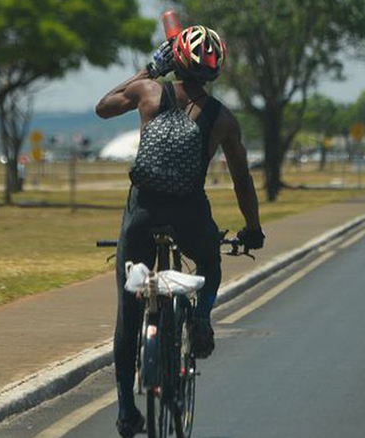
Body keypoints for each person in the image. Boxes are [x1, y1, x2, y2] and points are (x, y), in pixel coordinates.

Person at [95, 25, 264, 438]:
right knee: (208, 260)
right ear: (215, 71)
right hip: (190, 214)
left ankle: (125, 411)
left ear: (176, 61)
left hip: (143, 212)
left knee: (129, 309)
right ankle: (201, 317)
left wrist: (149, 69)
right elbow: (242, 180)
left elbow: (103, 107)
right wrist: (253, 229)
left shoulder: (149, 92)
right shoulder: (223, 118)